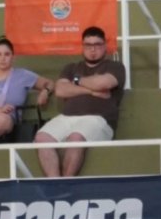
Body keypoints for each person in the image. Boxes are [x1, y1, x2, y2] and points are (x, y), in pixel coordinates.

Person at [34, 27, 125, 178]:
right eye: (88, 45)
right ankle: (55, 184)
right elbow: (60, 90)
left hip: (98, 119)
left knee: (76, 138)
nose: (93, 49)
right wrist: (91, 91)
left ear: (105, 46)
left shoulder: (115, 67)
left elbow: (104, 83)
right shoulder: (71, 68)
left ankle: (67, 184)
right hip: (66, 117)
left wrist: (76, 81)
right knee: (41, 138)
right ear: (82, 46)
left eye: (97, 44)